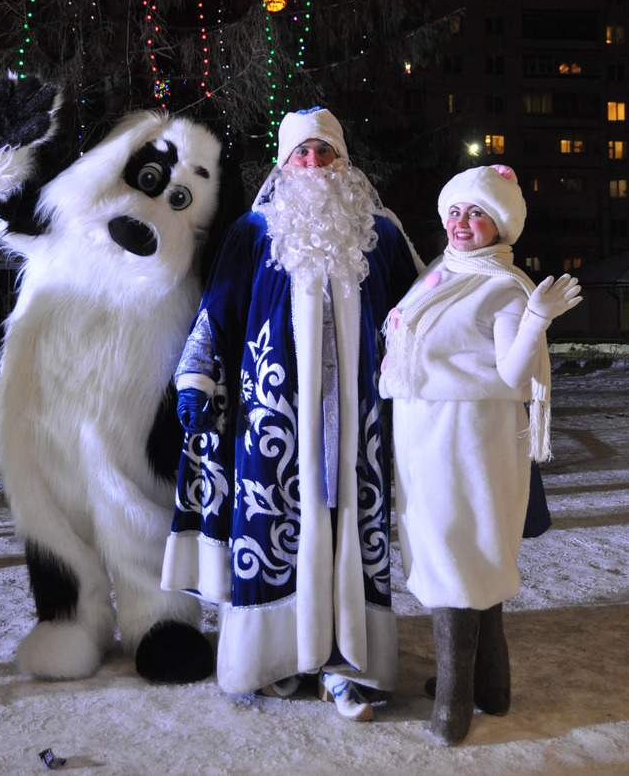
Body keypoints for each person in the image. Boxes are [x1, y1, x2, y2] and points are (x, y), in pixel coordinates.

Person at [161, 107, 421, 721]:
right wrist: (197, 376)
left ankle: (344, 667)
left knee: (348, 533)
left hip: (357, 426)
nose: (313, 164)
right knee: (277, 532)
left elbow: (419, 317)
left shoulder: (381, 233)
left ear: (344, 161)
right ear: (284, 164)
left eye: (324, 153)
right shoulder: (253, 231)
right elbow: (217, 312)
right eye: (301, 154)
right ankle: (275, 658)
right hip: (273, 422)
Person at [379, 163, 582, 745]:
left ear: (500, 227)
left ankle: (454, 703)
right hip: (426, 431)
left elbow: (515, 375)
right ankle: (490, 686)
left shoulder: (501, 285)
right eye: (456, 212)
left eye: (478, 214)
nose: (463, 223)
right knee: (466, 555)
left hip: (466, 436)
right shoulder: (445, 272)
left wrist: (537, 319)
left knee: (457, 556)